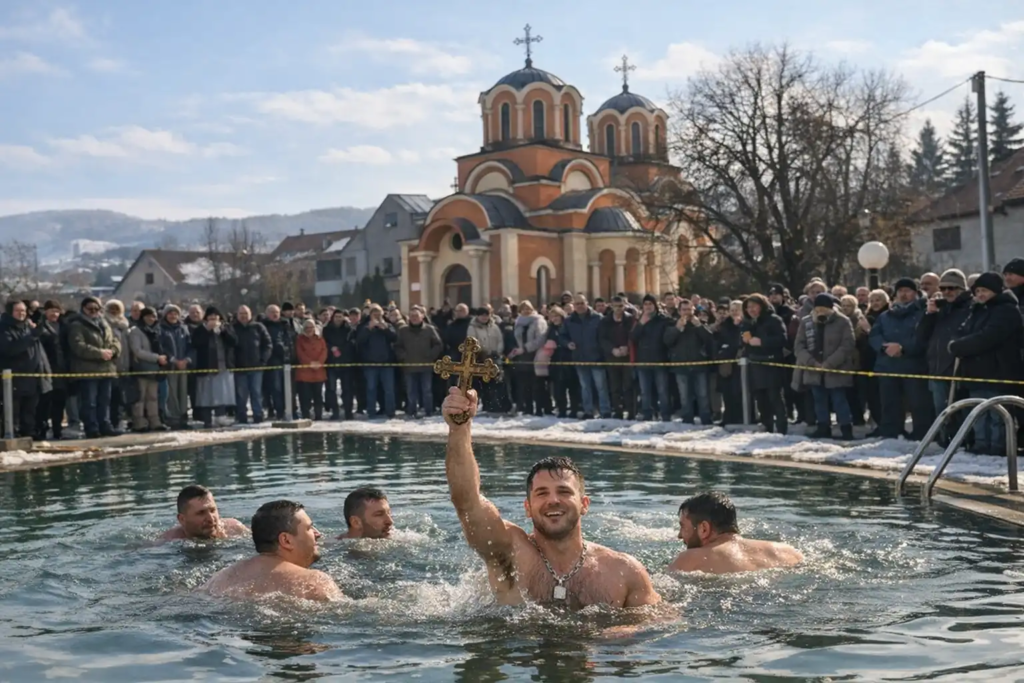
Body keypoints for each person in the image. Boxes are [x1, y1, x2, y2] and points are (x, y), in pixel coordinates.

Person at [441, 386, 660, 609]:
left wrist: (627, 629)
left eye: (564, 491)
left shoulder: (623, 571)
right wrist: (460, 428)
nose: (553, 500)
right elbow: (466, 501)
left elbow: (660, 621)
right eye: (541, 493)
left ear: (584, 504)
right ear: (528, 507)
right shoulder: (508, 552)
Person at [202, 500, 343, 601]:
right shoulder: (314, 582)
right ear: (286, 540)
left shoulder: (218, 580)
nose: (318, 534)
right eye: (309, 528)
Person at [669, 492, 803, 574]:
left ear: (704, 529)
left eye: (683, 527)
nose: (680, 535)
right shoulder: (788, 552)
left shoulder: (689, 560)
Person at [161, 485, 249, 540]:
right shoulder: (169, 539)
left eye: (212, 510)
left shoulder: (235, 529)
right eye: (201, 513)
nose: (211, 519)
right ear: (182, 519)